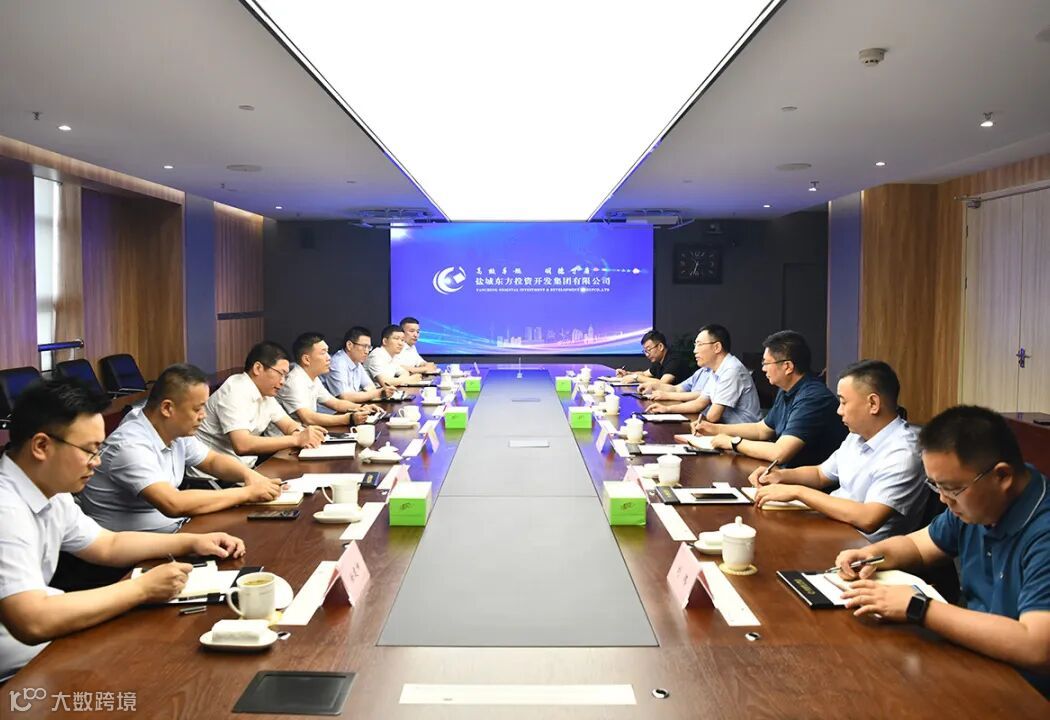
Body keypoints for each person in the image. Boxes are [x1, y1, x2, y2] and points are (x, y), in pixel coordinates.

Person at [0, 378, 246, 679]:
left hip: (51, 647)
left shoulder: (52, 490)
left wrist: (191, 542)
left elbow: (108, 545)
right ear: (41, 446)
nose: (97, 462)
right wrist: (141, 589)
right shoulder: (6, 508)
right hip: (18, 674)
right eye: (89, 450)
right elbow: (32, 620)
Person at [832, 405, 1049, 697]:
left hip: (1027, 693)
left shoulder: (1042, 531)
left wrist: (919, 608)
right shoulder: (977, 504)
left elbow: (1036, 646)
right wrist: (873, 554)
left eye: (951, 488)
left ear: (1002, 476)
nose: (945, 500)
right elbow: (918, 546)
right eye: (936, 487)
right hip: (975, 662)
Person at [78, 364, 285, 534]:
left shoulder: (174, 430)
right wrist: (247, 493)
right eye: (197, 408)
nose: (203, 415)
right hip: (130, 556)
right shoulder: (129, 445)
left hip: (176, 531)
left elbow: (212, 461)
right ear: (167, 408)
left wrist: (250, 476)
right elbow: (173, 503)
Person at [752, 360, 928, 541]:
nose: (839, 411)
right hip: (831, 527)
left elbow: (868, 518)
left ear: (873, 403)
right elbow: (820, 474)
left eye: (843, 402)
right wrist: (781, 475)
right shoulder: (857, 435)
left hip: (861, 547)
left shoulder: (903, 453)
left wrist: (798, 492)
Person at [692, 330, 845, 467]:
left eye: (766, 363)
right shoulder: (786, 389)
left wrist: (733, 442)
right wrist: (714, 429)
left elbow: (780, 452)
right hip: (786, 473)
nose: (763, 368)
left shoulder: (813, 398)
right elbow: (762, 430)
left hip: (808, 482)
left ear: (787, 366)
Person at [187, 341, 325, 478]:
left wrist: (303, 434)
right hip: (214, 480)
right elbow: (242, 445)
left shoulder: (266, 394)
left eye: (285, 376)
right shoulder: (234, 390)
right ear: (258, 368)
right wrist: (297, 439)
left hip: (247, 472)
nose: (283, 381)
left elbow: (288, 425)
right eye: (280, 374)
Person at [645, 325, 760, 424]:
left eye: (699, 345)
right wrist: (667, 409)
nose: (695, 350)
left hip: (741, 433)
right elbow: (699, 403)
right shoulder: (716, 370)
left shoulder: (731, 370)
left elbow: (712, 417)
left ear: (717, 347)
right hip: (724, 428)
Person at [277, 332, 377, 428]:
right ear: (306, 359)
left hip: (307, 433)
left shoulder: (313, 378)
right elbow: (308, 418)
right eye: (323, 353)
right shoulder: (294, 382)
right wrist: (349, 419)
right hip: (288, 438)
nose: (329, 357)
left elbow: (335, 403)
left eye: (327, 352)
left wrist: (361, 407)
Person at [323, 326, 396, 403]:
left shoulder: (357, 362)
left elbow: (369, 386)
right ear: (349, 345)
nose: (367, 351)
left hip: (352, 406)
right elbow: (345, 397)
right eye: (364, 346)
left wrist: (379, 393)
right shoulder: (338, 363)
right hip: (334, 410)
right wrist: (377, 393)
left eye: (369, 347)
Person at [615, 330, 688, 385]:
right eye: (645, 351)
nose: (647, 355)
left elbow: (662, 383)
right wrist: (627, 374)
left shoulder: (675, 359)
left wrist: (636, 378)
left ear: (660, 346)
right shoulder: (658, 360)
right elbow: (644, 374)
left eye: (648, 350)